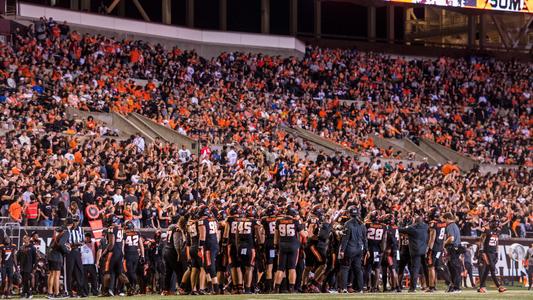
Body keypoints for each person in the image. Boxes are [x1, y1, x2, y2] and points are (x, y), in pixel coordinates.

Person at [273, 205, 305, 293]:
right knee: (292, 268)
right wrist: (305, 228)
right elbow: (304, 235)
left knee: (280, 268)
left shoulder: (279, 221)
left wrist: (275, 245)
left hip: (282, 245)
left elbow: (276, 235)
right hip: (293, 245)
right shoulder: (295, 221)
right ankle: (291, 288)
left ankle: (276, 288)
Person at [338, 206, 367, 293]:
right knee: (358, 269)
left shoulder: (347, 223)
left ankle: (343, 288)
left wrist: (342, 250)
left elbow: (345, 239)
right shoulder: (362, 224)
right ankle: (360, 289)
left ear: (349, 213)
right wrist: (366, 249)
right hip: (359, 249)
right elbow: (365, 238)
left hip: (350, 249)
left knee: (345, 268)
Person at [399, 214, 428, 293]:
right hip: (424, 250)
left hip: (415, 251)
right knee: (426, 269)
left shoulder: (412, 228)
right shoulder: (426, 226)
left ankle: (412, 288)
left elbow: (399, 229)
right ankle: (429, 286)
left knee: (415, 269)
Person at [477, 218, 506, 293]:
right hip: (487, 253)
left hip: (493, 253)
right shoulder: (487, 231)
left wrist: (497, 252)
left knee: (487, 270)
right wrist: (482, 251)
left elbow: (497, 242)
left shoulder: (498, 231)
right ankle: (499, 286)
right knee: (492, 269)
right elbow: (481, 239)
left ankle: (481, 287)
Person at [425, 207, 447, 292]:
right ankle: (434, 285)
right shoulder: (443, 223)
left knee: (431, 267)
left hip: (434, 248)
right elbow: (444, 236)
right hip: (440, 247)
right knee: (436, 267)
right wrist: (443, 246)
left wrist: (429, 249)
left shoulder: (433, 223)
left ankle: (431, 287)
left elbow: (432, 238)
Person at [66, 215, 87, 297]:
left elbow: (83, 241)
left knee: (80, 271)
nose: (75, 222)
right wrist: (73, 245)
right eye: (74, 221)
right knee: (69, 272)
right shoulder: (68, 229)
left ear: (78, 221)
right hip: (70, 252)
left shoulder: (81, 229)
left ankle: (80, 291)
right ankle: (69, 291)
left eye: (76, 221)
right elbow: (66, 242)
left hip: (78, 252)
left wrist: (76, 244)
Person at [47, 226, 70, 299]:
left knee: (51, 274)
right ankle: (56, 293)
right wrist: (67, 251)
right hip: (56, 256)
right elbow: (61, 244)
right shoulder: (64, 234)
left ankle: (50, 292)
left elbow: (51, 246)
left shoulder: (55, 235)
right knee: (57, 274)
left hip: (50, 255)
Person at [123, 220, 144, 295]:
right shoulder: (137, 233)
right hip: (136, 254)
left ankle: (135, 285)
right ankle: (133, 288)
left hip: (129, 254)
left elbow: (123, 245)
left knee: (130, 272)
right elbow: (141, 245)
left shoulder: (125, 234)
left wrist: (122, 254)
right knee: (133, 272)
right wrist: (142, 255)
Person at [444, 212, 462, 293]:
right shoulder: (455, 225)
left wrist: (444, 243)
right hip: (456, 248)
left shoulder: (450, 226)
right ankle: (454, 286)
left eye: (444, 220)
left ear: (447, 219)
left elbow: (451, 238)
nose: (444, 222)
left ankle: (456, 287)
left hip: (453, 249)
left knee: (454, 268)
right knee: (453, 268)